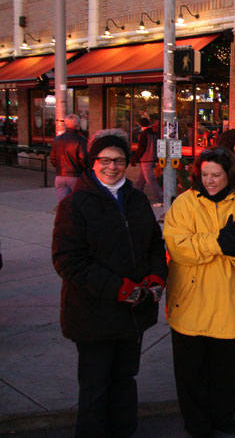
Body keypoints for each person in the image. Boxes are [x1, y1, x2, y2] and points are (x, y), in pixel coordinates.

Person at [52, 128, 167, 437]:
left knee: (125, 381)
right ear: (93, 162)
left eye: (118, 160)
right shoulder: (75, 205)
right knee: (95, 388)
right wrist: (118, 288)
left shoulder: (136, 200)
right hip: (93, 314)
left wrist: (157, 278)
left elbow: (156, 244)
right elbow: (68, 260)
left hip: (133, 313)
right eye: (105, 160)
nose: (112, 166)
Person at [163, 147, 235, 437]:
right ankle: (196, 423)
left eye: (216, 175)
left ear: (230, 175)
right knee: (190, 372)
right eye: (205, 174)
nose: (209, 180)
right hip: (189, 301)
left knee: (224, 370)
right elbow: (177, 246)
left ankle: (224, 416)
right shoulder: (184, 204)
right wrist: (217, 243)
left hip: (229, 300)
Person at [50, 113, 88, 202]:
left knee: (63, 205)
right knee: (78, 203)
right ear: (78, 124)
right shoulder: (81, 140)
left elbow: (52, 158)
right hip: (75, 175)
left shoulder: (57, 139)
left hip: (60, 175)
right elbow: (83, 158)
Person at [131, 117, 163, 204]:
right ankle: (134, 198)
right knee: (140, 181)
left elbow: (141, 148)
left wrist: (134, 158)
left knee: (150, 180)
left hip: (145, 159)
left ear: (141, 124)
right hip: (152, 158)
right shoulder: (154, 134)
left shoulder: (143, 135)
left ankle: (162, 198)